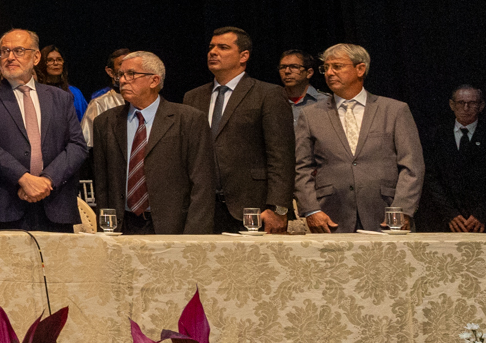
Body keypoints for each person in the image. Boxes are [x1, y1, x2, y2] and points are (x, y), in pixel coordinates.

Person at [0, 29, 90, 232]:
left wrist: (47, 180)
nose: (9, 57)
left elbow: (77, 146)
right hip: (2, 204)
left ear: (36, 57)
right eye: (4, 51)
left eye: (18, 50)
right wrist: (23, 178)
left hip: (55, 203)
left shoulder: (61, 98)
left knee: (57, 264)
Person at [295, 44, 424, 233]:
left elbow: (412, 165)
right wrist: (311, 210)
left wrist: (402, 210)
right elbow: (302, 167)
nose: (329, 73)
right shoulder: (311, 115)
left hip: (385, 214)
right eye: (326, 68)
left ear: (360, 69)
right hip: (331, 217)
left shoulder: (394, 110)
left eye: (337, 66)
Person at [89, 51, 217, 235]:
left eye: (131, 74)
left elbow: (202, 183)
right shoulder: (105, 122)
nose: (123, 80)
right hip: (121, 227)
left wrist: (194, 236)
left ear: (154, 80)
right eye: (120, 75)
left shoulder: (189, 120)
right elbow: (101, 184)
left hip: (173, 228)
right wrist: (105, 229)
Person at [183, 27, 294, 233]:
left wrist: (278, 208)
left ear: (244, 56)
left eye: (223, 47)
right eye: (211, 47)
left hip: (253, 208)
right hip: (202, 209)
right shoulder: (193, 97)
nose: (213, 52)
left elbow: (281, 156)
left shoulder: (268, 94)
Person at [425, 85, 486, 232]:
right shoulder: (435, 135)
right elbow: (431, 178)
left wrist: (481, 214)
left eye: (472, 103)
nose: (466, 108)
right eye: (461, 103)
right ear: (452, 105)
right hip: (445, 219)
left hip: (481, 221)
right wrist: (451, 214)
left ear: (481, 106)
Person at [79, 48, 133, 149]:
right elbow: (87, 144)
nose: (128, 68)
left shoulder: (143, 102)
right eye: (122, 64)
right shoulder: (99, 104)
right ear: (110, 72)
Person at [277, 50, 330, 123]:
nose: (287, 71)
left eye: (294, 67)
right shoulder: (273, 101)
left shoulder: (326, 102)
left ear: (309, 73)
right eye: (283, 67)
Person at [38, 45, 87, 120]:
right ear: (42, 64)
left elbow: (84, 120)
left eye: (59, 59)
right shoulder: (37, 91)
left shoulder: (75, 92)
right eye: (50, 60)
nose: (55, 63)